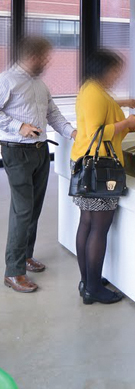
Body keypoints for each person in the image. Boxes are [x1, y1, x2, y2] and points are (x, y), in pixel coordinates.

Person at [1, 36, 76, 294]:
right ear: (31, 56)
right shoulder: (7, 80)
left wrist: (72, 132)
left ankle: (25, 256)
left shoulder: (39, 84)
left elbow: (52, 113)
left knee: (33, 208)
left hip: (41, 150)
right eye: (44, 57)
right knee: (22, 210)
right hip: (17, 152)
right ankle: (13, 272)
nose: (47, 61)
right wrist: (18, 126)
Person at [71, 50, 135, 305]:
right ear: (103, 69)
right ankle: (93, 288)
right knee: (98, 228)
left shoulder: (92, 88)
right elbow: (96, 133)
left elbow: (102, 108)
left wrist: (123, 104)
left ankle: (87, 281)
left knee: (87, 223)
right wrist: (127, 124)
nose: (117, 75)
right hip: (99, 169)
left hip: (87, 165)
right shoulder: (93, 92)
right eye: (115, 70)